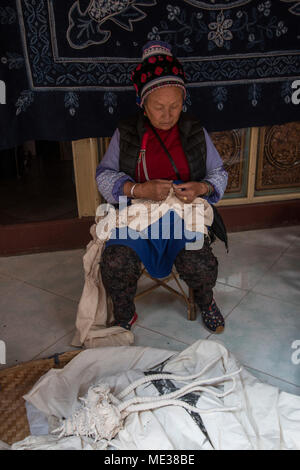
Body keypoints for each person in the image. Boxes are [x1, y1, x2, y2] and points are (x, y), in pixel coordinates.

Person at [95, 41, 228, 334]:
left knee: (199, 263)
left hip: (183, 213)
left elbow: (218, 173)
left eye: (175, 106)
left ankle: (206, 301)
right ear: (143, 104)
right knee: (116, 261)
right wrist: (138, 190)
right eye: (159, 107)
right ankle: (124, 312)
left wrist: (201, 188)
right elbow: (104, 175)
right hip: (138, 212)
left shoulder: (194, 130)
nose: (168, 115)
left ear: (184, 103)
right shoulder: (126, 131)